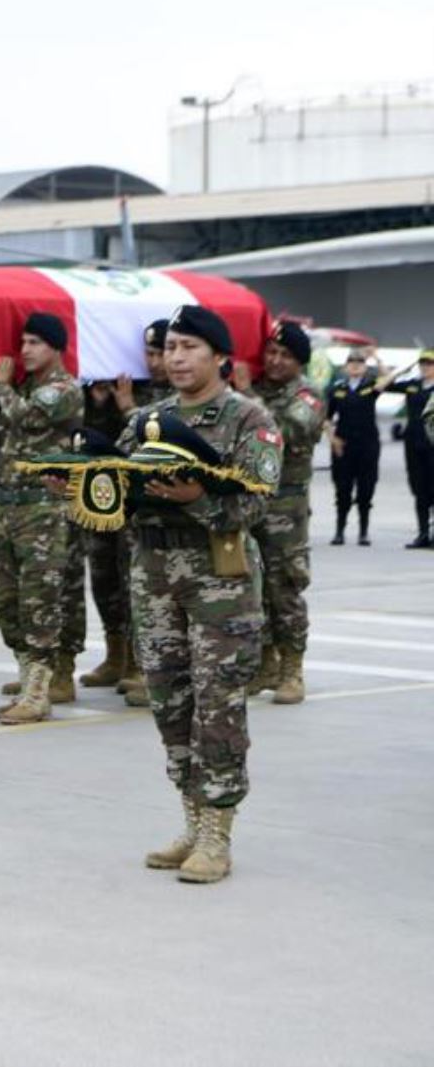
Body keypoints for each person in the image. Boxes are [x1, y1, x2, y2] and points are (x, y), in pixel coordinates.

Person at [119, 305, 278, 884]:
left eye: (190, 347)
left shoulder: (248, 418)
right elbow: (118, 478)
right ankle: (190, 819)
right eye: (171, 347)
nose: (177, 357)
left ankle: (218, 832)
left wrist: (197, 500)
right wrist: (88, 487)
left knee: (218, 706)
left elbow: (257, 500)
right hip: (154, 572)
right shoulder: (146, 420)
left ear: (219, 357)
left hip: (220, 577)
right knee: (170, 700)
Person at [0, 312, 84, 724]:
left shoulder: (64, 389)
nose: (24, 351)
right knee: (6, 599)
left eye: (34, 343)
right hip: (9, 505)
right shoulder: (23, 388)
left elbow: (25, 417)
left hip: (45, 508)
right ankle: (28, 682)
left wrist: (1, 386)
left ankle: (40, 692)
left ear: (56, 347)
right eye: (21, 343)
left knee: (40, 600)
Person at [78, 319, 172, 705]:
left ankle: (140, 663)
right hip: (113, 500)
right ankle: (116, 654)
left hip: (151, 507)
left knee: (141, 586)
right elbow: (107, 444)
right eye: (148, 353)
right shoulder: (130, 385)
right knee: (106, 577)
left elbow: (156, 440)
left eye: (159, 352)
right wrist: (101, 406)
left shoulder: (174, 395)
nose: (153, 361)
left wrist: (129, 407)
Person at [244, 321, 325, 705]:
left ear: (300, 362)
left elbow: (282, 431)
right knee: (253, 586)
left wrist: (245, 394)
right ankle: (265, 663)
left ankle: (293, 669)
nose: (275, 361)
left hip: (286, 507)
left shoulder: (307, 396)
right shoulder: (259, 390)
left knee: (285, 588)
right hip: (252, 500)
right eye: (271, 353)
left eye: (285, 356)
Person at [325, 346, 385, 545]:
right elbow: (326, 418)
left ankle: (363, 532)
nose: (355, 366)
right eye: (352, 363)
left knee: (366, 489)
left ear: (365, 367)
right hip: (344, 443)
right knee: (342, 489)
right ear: (345, 366)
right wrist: (332, 438)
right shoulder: (337, 389)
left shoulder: (371, 386)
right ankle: (339, 531)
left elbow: (388, 378)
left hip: (367, 444)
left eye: (360, 363)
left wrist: (376, 357)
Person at [384, 348, 434, 548]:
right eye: (422, 363)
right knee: (418, 489)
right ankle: (423, 533)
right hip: (413, 444)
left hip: (433, 445)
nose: (425, 367)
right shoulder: (413, 386)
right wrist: (403, 369)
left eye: (429, 364)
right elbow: (383, 385)